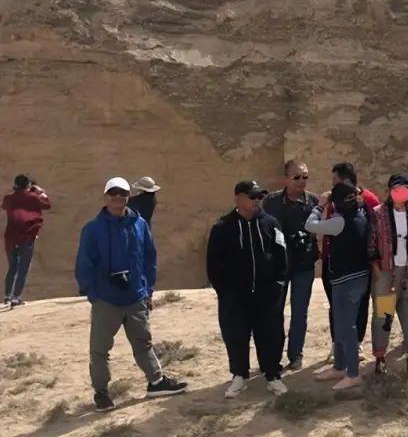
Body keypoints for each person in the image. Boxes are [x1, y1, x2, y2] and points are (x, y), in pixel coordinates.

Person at [76, 177, 187, 412]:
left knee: (143, 342)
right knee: (100, 350)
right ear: (106, 197)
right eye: (113, 193)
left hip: (135, 297)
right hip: (106, 300)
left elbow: (149, 258)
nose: (118, 198)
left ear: (129, 196)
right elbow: (84, 264)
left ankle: (156, 382)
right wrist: (93, 294)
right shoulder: (93, 229)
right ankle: (101, 393)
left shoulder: (139, 224)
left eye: (123, 194)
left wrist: (148, 291)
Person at [207, 180, 290, 398]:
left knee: (271, 335)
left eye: (259, 197)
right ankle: (239, 376)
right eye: (252, 197)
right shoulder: (222, 227)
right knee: (235, 335)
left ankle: (272, 375)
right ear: (238, 198)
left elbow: (281, 255)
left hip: (266, 294)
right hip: (235, 297)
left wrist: (278, 284)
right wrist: (224, 292)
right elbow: (213, 264)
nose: (257, 201)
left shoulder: (271, 223)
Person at [306, 182, 371, 390]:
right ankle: (340, 367)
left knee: (345, 327)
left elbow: (310, 225)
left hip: (346, 280)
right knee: (341, 324)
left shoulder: (339, 222)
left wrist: (319, 206)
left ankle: (353, 373)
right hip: (359, 277)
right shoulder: (361, 216)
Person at [368, 175, 408, 376]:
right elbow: (371, 243)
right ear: (390, 190)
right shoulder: (378, 213)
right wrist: (378, 271)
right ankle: (380, 358)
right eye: (397, 187)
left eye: (405, 187)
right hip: (387, 273)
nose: (401, 191)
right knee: (383, 317)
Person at [263, 159, 319, 371]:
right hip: (279, 265)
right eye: (297, 177)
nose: (302, 181)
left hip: (304, 264)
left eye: (305, 177)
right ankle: (273, 357)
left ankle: (296, 355)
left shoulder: (313, 201)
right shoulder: (272, 201)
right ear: (285, 179)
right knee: (274, 311)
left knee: (300, 311)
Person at [319, 162, 378, 365]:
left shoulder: (369, 199)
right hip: (333, 261)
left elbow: (377, 227)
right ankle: (337, 345)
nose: (332, 184)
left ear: (346, 180)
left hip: (360, 263)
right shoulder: (332, 200)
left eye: (335, 180)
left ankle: (357, 343)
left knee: (361, 304)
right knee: (336, 305)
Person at [3, 174, 51, 306]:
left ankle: (7, 296)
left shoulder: (9, 198)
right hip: (27, 236)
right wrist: (40, 192)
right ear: (29, 185)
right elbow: (47, 204)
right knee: (23, 268)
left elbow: (5, 205)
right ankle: (16, 297)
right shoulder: (33, 198)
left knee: (12, 267)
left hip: (10, 238)